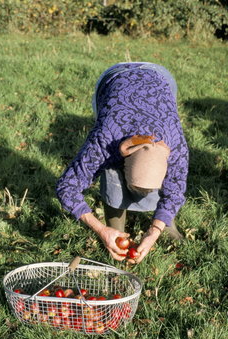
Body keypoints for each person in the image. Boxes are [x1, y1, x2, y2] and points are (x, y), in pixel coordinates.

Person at [56, 62, 189, 264]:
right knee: (110, 170)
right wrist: (100, 229)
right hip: (114, 78)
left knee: (159, 179)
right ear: (124, 157)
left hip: (159, 76)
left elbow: (175, 191)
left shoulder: (177, 148)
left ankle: (167, 223)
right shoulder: (105, 140)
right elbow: (66, 187)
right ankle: (114, 227)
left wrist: (154, 232)